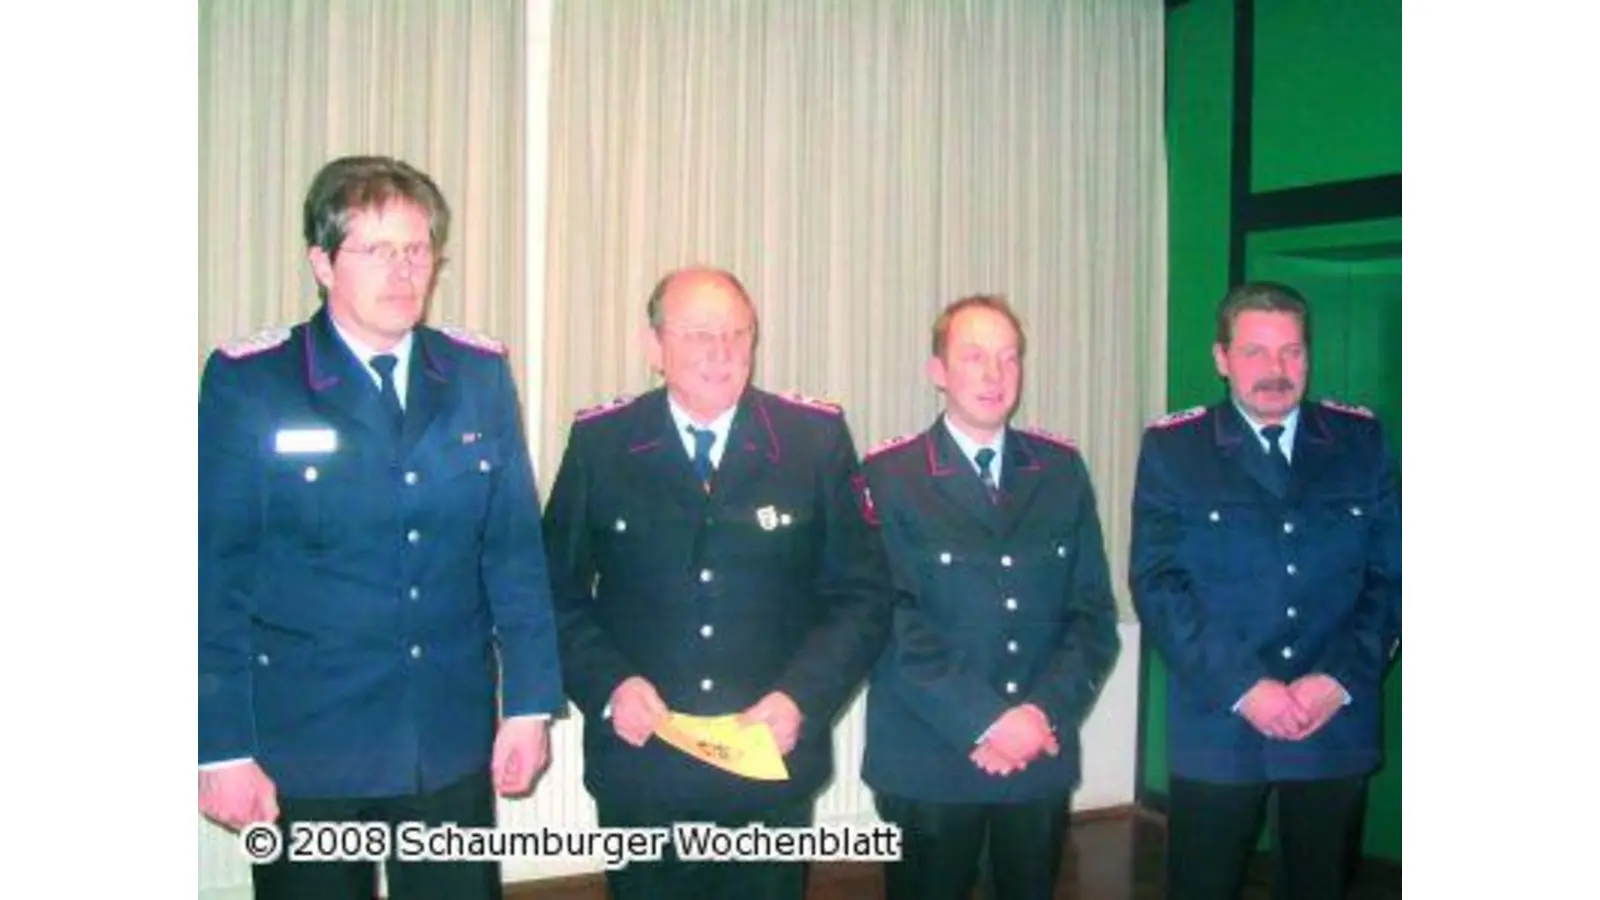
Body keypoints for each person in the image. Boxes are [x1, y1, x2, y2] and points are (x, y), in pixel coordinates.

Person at [198, 155, 564, 900]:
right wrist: (220, 746)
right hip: (308, 745)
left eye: (418, 249)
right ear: (322, 263)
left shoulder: (475, 374)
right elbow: (213, 576)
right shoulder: (254, 381)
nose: (403, 272)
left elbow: (513, 554)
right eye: (375, 250)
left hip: (446, 737)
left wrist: (528, 705)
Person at [540, 265, 897, 900]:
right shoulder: (603, 442)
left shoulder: (812, 439)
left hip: (769, 762)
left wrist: (802, 699)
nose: (723, 352)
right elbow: (555, 592)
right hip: (644, 762)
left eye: (738, 333)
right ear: (655, 348)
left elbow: (862, 595)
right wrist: (608, 686)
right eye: (700, 333)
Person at [1128, 282, 1401, 900]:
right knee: (1203, 883)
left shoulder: (1360, 442)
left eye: (1291, 352)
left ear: (1308, 356)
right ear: (1221, 358)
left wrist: (1338, 679)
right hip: (1221, 713)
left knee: (1320, 885)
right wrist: (1245, 688)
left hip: (1334, 710)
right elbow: (1158, 582)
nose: (1275, 371)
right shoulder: (1175, 449)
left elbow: (1393, 576)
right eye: (1254, 352)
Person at [857, 295, 1122, 900]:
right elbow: (889, 621)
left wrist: (1037, 716)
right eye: (974, 356)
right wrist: (985, 722)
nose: (994, 374)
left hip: (1037, 753)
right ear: (938, 371)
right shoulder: (889, 475)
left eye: (1009, 358)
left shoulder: (1060, 470)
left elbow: (1091, 615)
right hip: (930, 757)